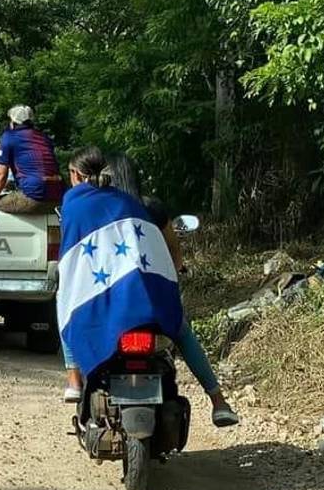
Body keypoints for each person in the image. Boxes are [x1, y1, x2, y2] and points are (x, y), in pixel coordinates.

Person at [56, 146, 238, 428]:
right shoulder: (148, 208)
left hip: (104, 298)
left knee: (67, 300)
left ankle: (74, 380)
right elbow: (172, 256)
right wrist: (165, 280)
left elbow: (74, 260)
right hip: (149, 300)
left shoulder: (77, 205)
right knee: (181, 330)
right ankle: (218, 401)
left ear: (78, 175)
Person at [0, 105, 64, 223]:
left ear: (13, 122)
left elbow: (1, 175)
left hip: (34, 197)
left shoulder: (9, 137)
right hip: (58, 198)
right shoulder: (44, 138)